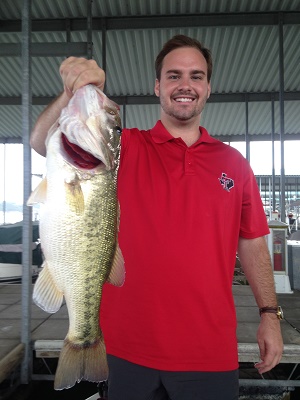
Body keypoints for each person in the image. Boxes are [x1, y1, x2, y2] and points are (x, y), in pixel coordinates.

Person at [30, 35, 283, 400]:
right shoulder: (123, 148)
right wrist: (73, 92)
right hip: (125, 349)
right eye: (174, 75)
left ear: (208, 87)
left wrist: (269, 314)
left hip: (209, 352)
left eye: (196, 76)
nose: (185, 85)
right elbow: (42, 142)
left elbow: (253, 242)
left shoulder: (235, 165)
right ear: (158, 86)